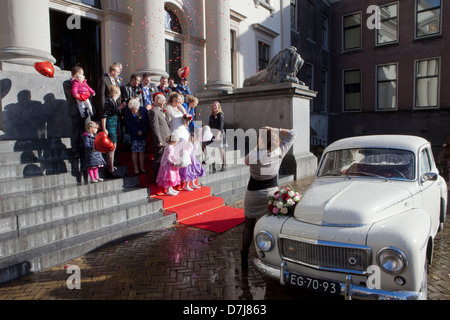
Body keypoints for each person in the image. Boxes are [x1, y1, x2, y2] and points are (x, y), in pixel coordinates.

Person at [240, 127, 296, 270]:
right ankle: (269, 255)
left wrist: (259, 145)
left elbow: (246, 162)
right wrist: (275, 129)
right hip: (271, 193)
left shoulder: (254, 154)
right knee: (269, 225)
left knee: (249, 225)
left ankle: (244, 256)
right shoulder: (279, 152)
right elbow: (292, 134)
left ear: (261, 140)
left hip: (253, 193)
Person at [63, 66, 91, 161]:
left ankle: (86, 150)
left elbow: (88, 93)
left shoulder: (83, 83)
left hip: (84, 110)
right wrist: (79, 87)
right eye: (82, 74)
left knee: (86, 130)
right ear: (77, 74)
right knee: (76, 131)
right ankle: (75, 151)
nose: (83, 76)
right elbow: (71, 95)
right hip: (74, 110)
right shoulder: (67, 83)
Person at [101, 85, 126, 178]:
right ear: (116, 92)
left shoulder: (113, 101)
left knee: (113, 147)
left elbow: (113, 111)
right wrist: (104, 129)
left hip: (114, 125)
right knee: (112, 147)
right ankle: (110, 169)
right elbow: (104, 115)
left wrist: (120, 108)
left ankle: (111, 167)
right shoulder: (108, 101)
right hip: (110, 125)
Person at [149, 93, 171, 182]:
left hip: (166, 139)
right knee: (159, 159)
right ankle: (157, 178)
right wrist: (158, 140)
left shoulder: (161, 111)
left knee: (164, 159)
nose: (165, 102)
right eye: (164, 100)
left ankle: (162, 177)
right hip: (161, 140)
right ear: (158, 100)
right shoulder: (153, 111)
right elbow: (155, 127)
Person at [125, 98, 150, 175]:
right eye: (131, 110)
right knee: (135, 151)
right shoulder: (128, 111)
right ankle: (136, 167)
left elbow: (147, 122)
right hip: (134, 133)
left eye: (134, 110)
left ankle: (142, 167)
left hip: (143, 133)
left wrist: (143, 131)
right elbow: (128, 123)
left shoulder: (144, 110)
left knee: (142, 151)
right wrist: (136, 131)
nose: (133, 111)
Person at [209, 101, 227, 172]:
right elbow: (210, 125)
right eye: (213, 105)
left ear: (219, 106)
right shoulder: (211, 115)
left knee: (221, 149)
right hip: (213, 133)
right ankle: (213, 165)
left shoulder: (220, 114)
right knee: (213, 150)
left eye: (216, 105)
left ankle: (224, 164)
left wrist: (218, 135)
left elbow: (221, 125)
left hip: (220, 133)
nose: (215, 107)